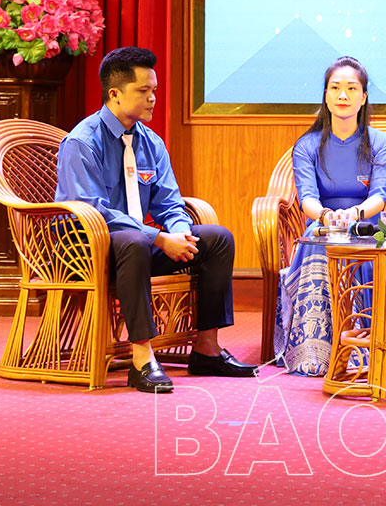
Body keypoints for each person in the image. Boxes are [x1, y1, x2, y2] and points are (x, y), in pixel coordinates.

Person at [55, 47, 257, 393]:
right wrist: (159, 238)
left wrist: (180, 234)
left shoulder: (151, 142)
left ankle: (207, 349)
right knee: (134, 240)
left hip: (138, 246)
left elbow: (170, 202)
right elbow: (93, 210)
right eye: (143, 91)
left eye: (154, 90)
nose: (153, 98)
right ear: (115, 94)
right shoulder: (82, 142)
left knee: (216, 238)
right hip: (87, 249)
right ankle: (142, 358)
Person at [275, 57, 386, 376]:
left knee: (362, 243)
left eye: (352, 88)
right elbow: (307, 199)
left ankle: (361, 350)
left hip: (367, 225)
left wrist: (354, 214)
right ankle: (313, 351)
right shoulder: (307, 145)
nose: (343, 95)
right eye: (335, 88)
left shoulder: (381, 143)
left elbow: (380, 196)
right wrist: (328, 216)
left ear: (364, 97)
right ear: (326, 96)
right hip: (322, 225)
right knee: (319, 241)